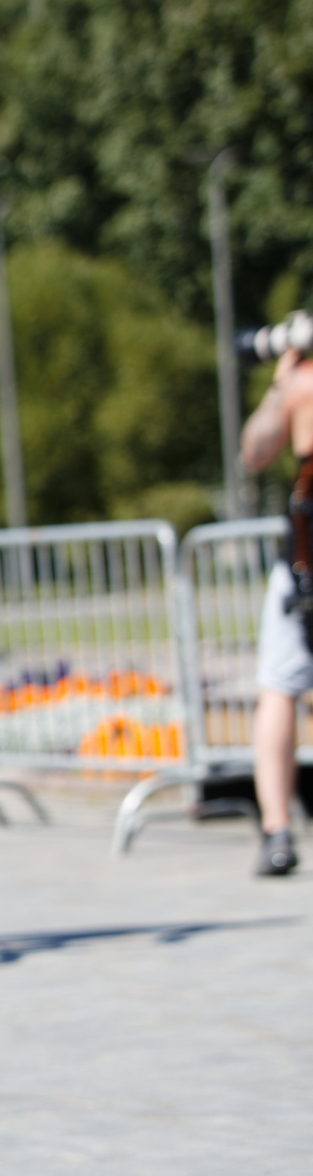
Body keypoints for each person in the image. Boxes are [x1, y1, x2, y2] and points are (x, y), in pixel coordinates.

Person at [237, 351, 313, 874]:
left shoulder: (304, 383)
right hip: (305, 561)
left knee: (279, 686)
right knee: (281, 684)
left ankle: (276, 827)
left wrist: (280, 387)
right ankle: (278, 829)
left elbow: (255, 452)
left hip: (305, 558)